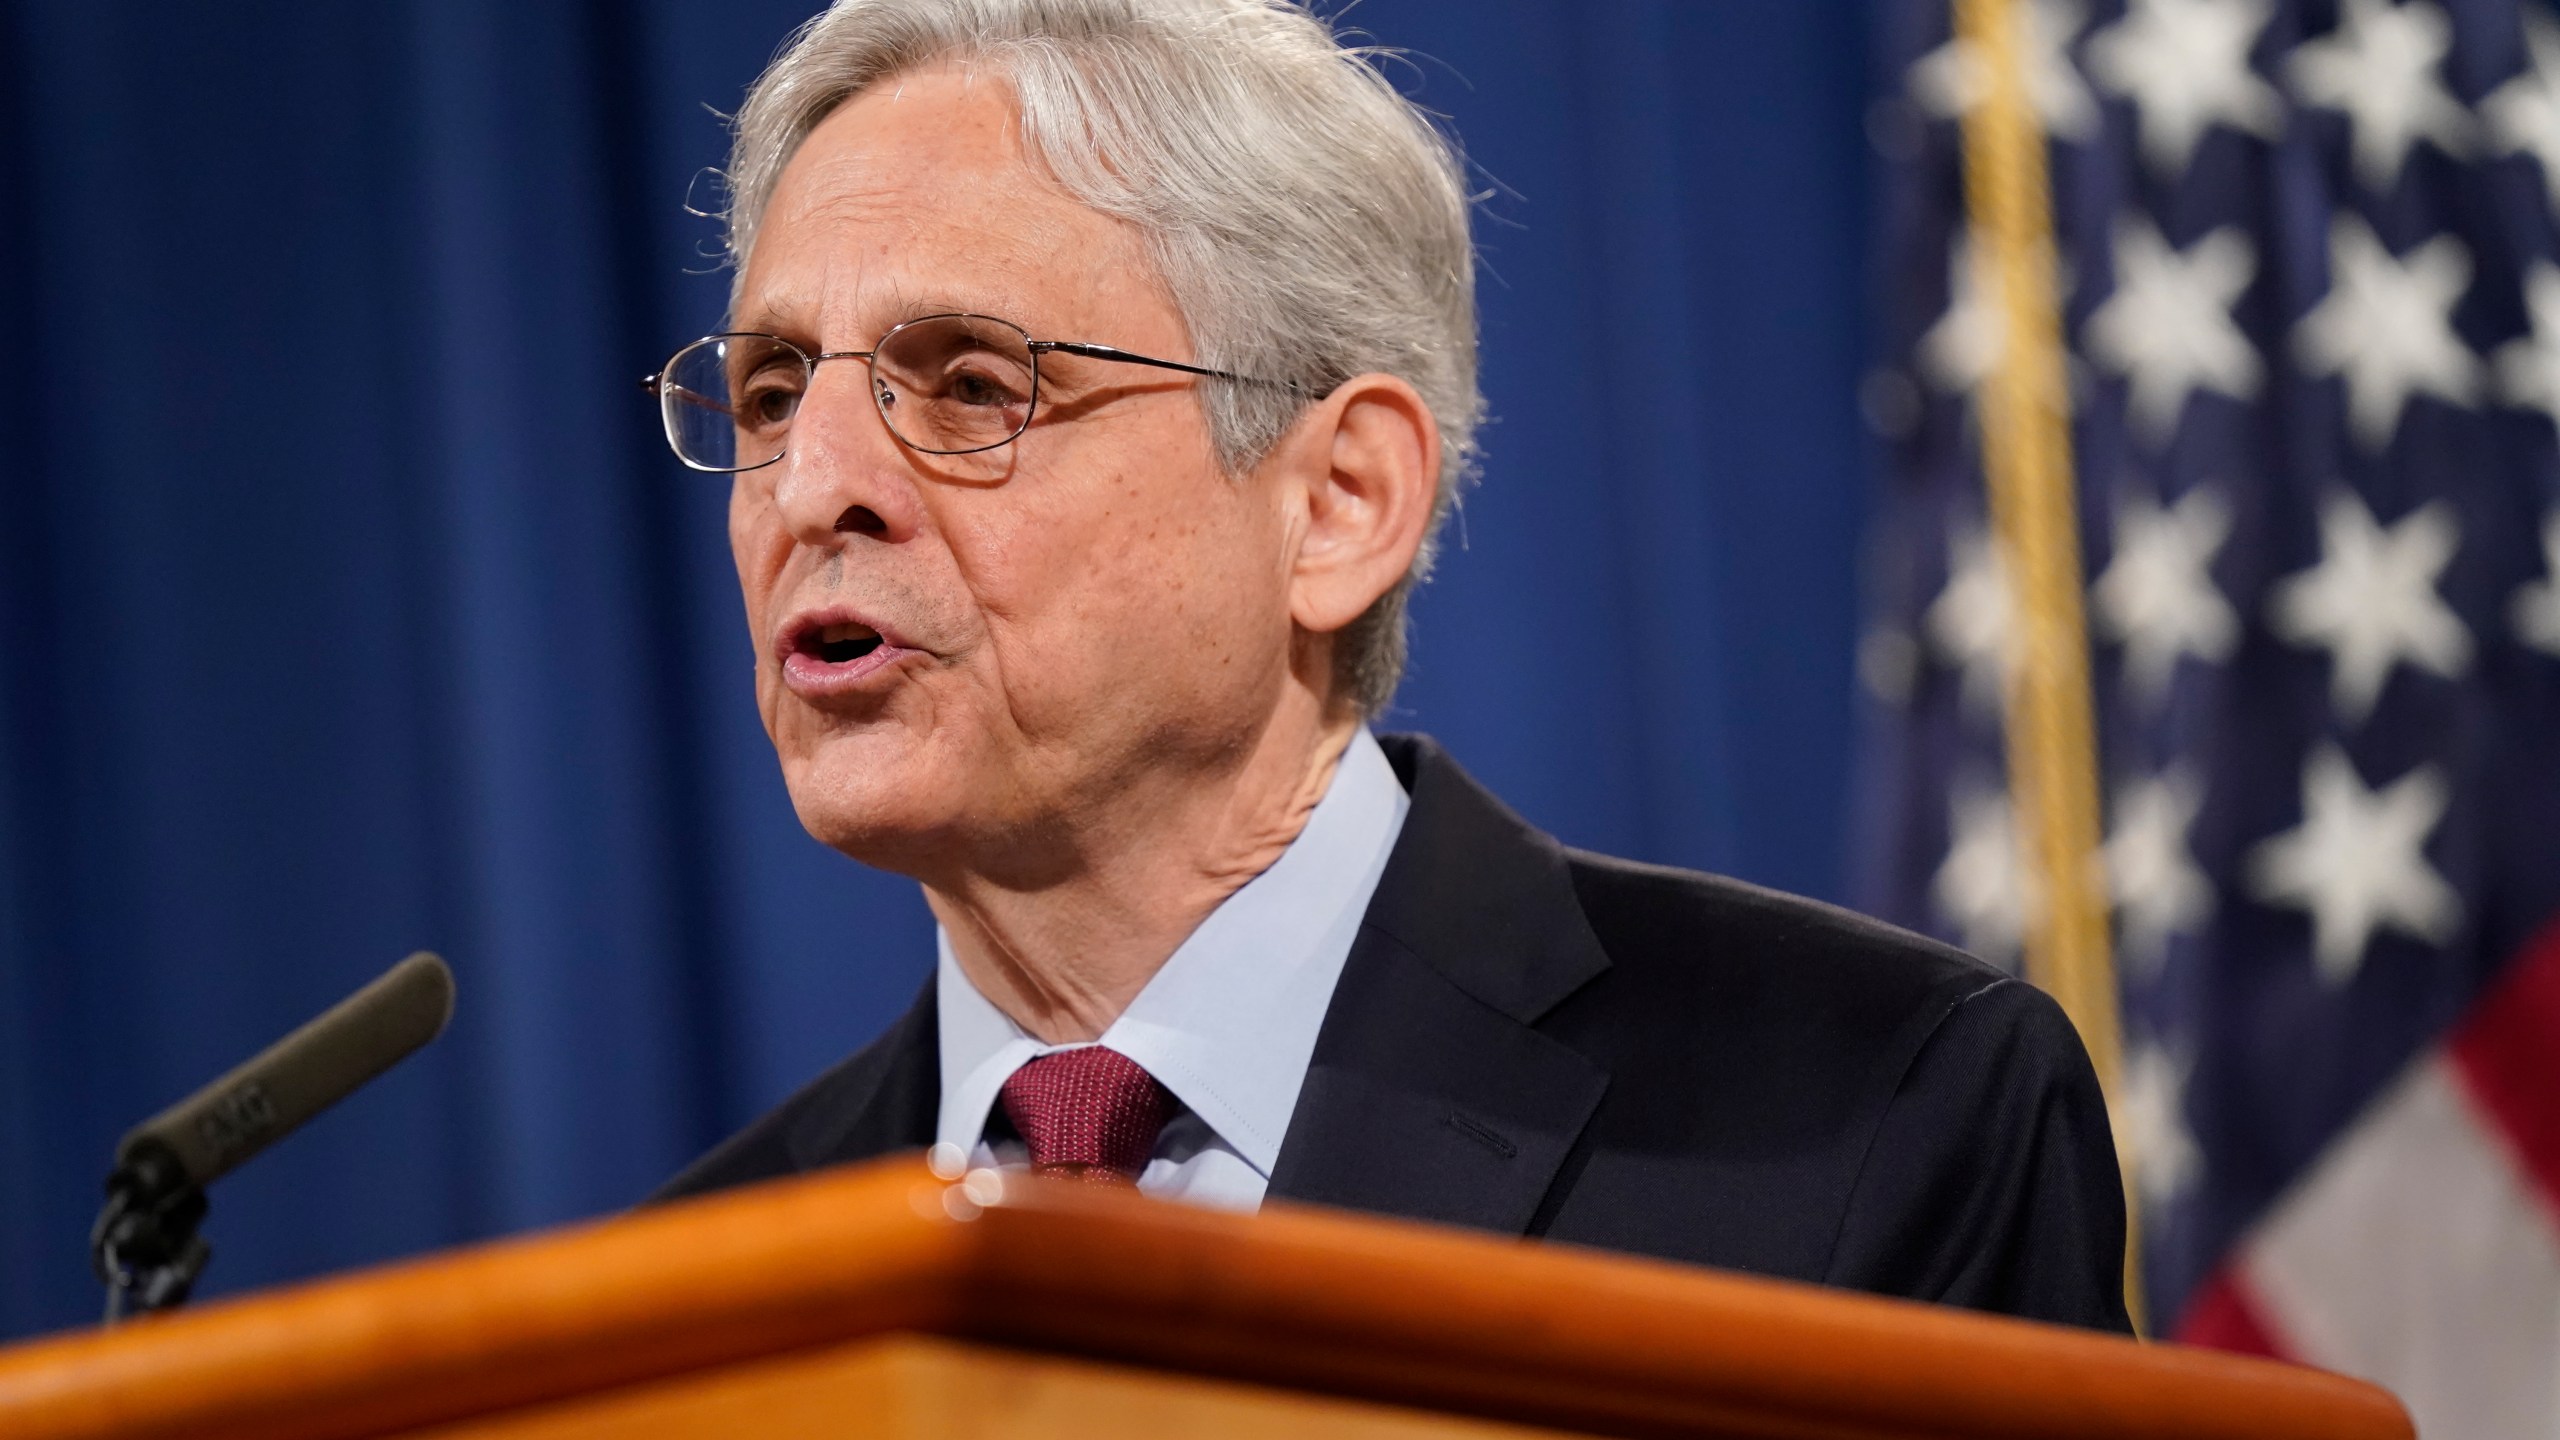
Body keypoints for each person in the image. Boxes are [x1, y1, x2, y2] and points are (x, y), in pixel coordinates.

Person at [648, 0, 2132, 1334]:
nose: (807, 485)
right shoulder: (697, 1288)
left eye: (972, 383)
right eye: (773, 391)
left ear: (1340, 501)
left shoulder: (1868, 1119)